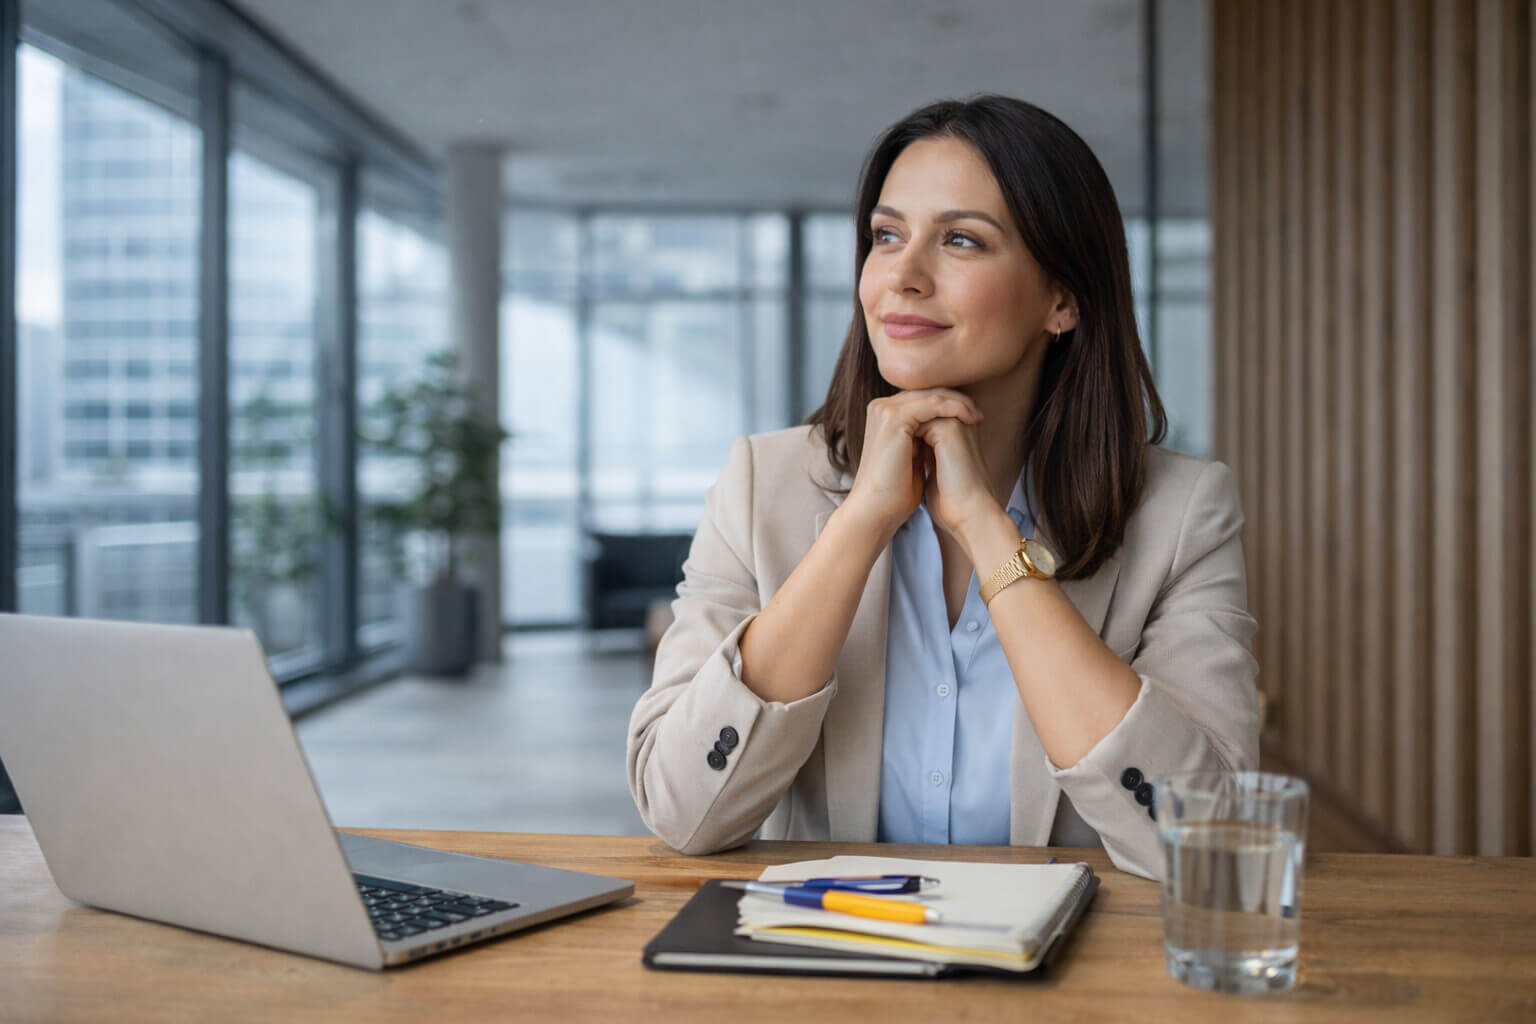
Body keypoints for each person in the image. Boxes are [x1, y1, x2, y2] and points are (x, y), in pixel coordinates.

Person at [625, 95, 1258, 879]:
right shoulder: (764, 485)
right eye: (886, 236)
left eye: (960, 240)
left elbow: (1209, 841)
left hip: (1070, 985)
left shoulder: (1181, 513)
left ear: (1062, 299)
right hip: (829, 973)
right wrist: (859, 525)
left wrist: (987, 530)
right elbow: (684, 812)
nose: (903, 275)